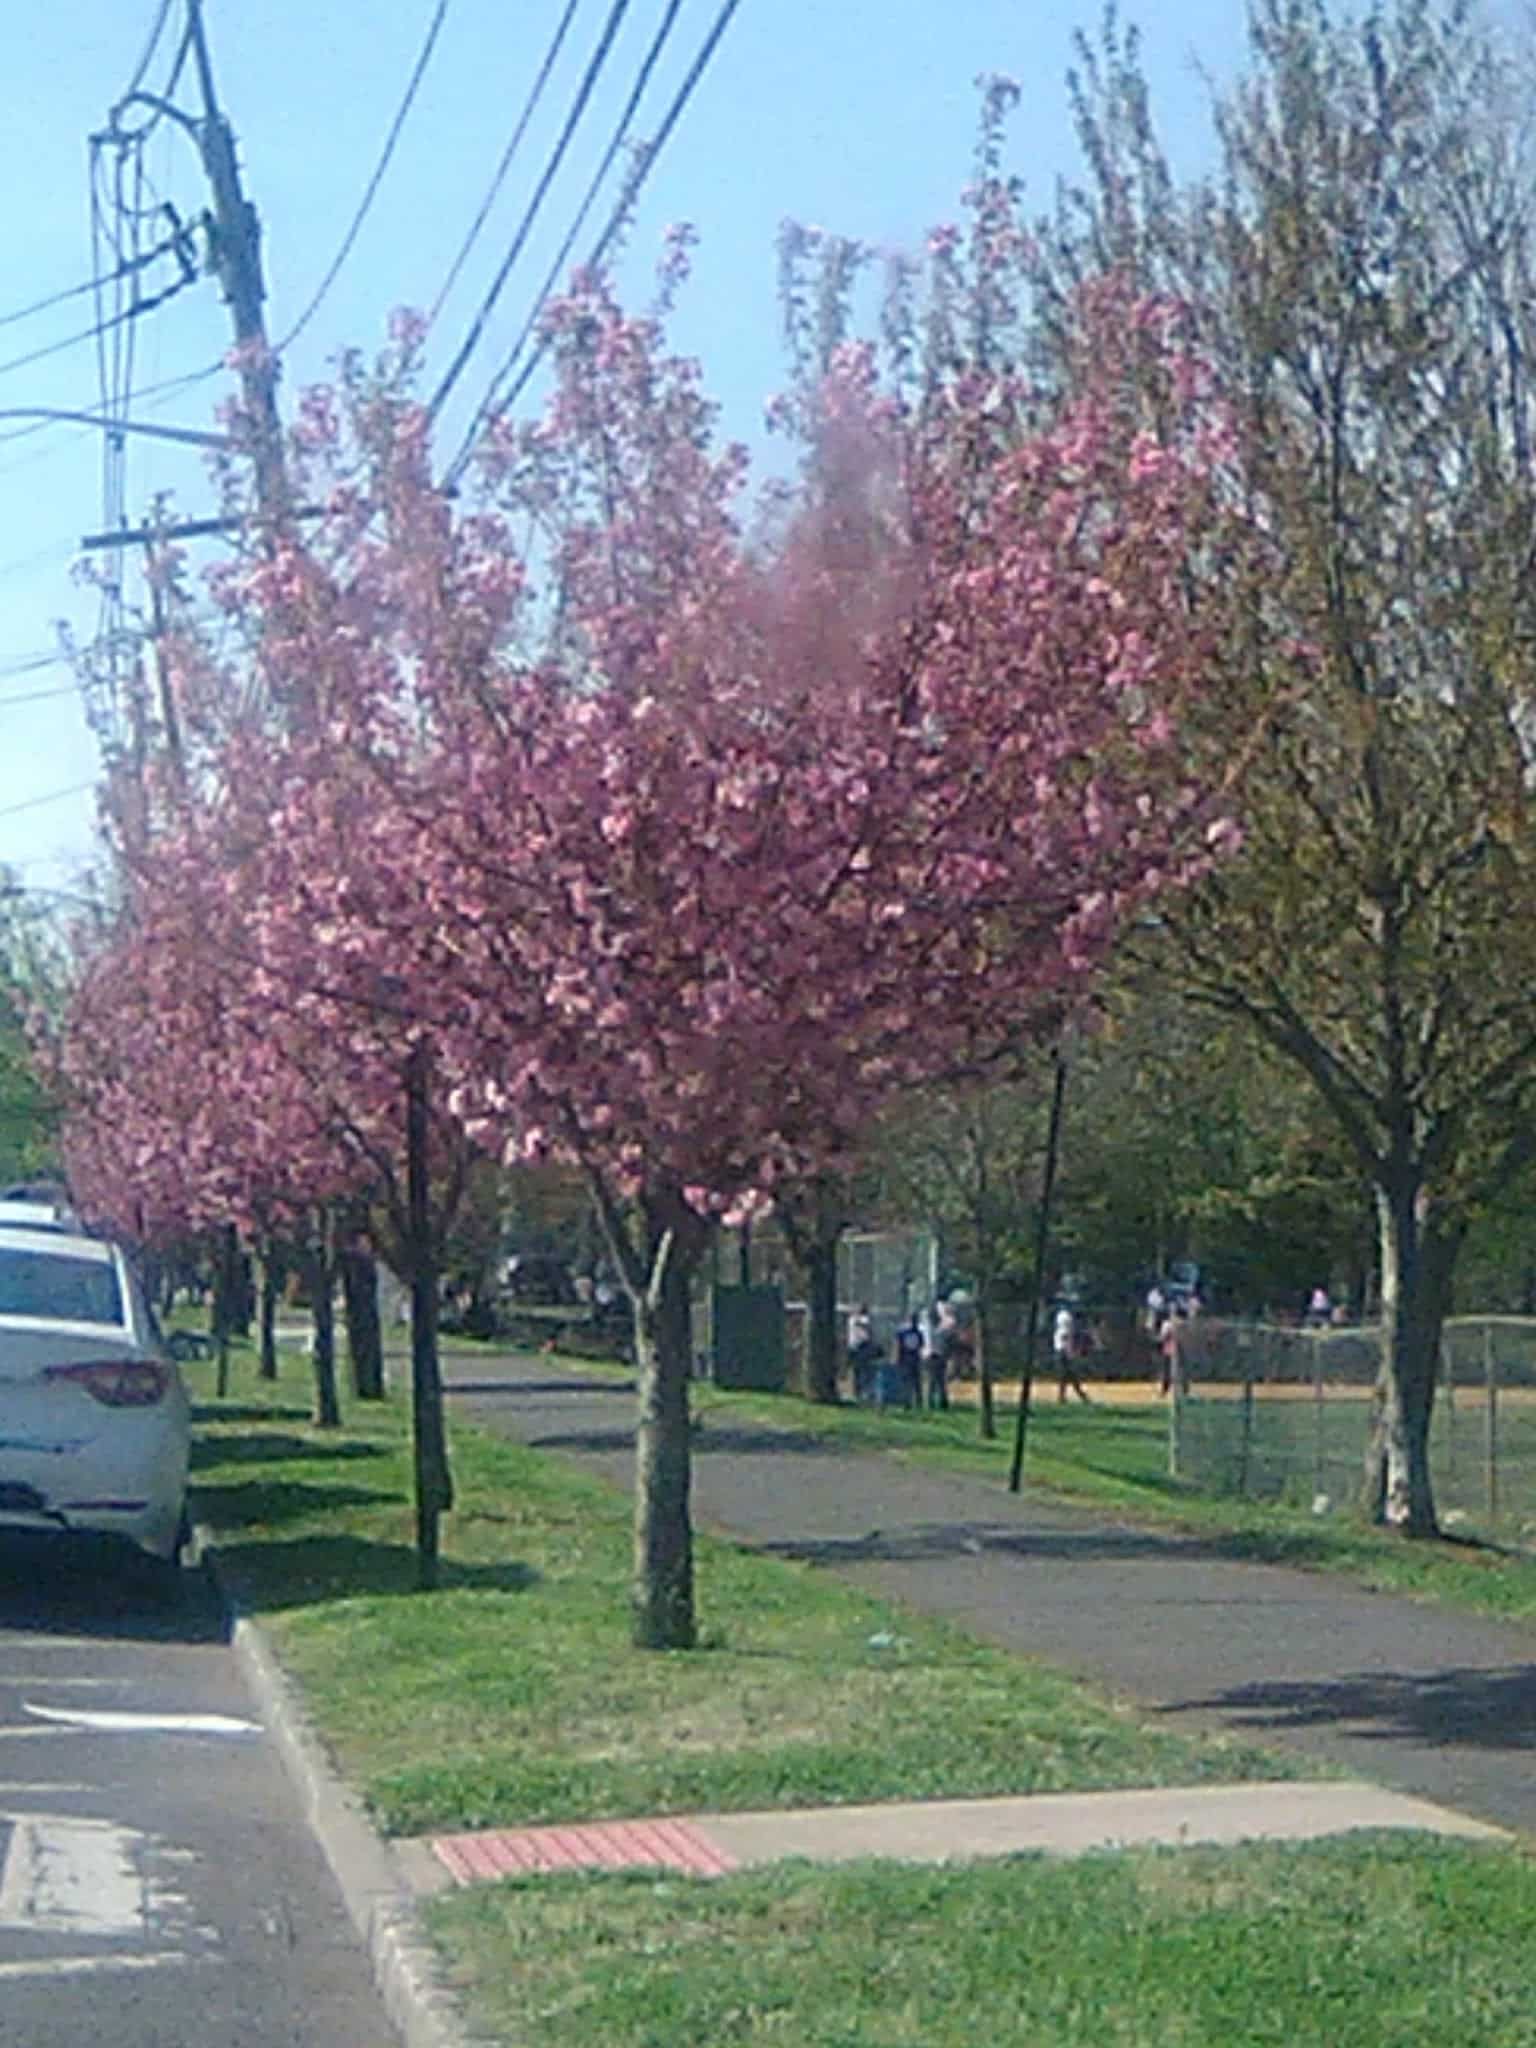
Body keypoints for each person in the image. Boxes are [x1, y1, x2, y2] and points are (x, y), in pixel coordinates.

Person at [1053, 1302, 1091, 1404]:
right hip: (1063, 1350)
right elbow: (1067, 1336)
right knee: (1067, 1374)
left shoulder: (1061, 1315)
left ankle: (1069, 1397)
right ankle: (1079, 1396)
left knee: (1067, 1374)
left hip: (1060, 1348)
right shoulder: (1067, 1318)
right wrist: (1070, 1351)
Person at [893, 1312, 925, 1409]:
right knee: (908, 1381)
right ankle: (908, 1402)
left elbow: (920, 1345)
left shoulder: (917, 1332)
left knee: (914, 1382)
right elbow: (898, 1345)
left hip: (913, 1358)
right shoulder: (904, 1332)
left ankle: (916, 1402)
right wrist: (896, 1357)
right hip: (907, 1358)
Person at [847, 1303, 875, 1402]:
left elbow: (866, 1326)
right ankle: (857, 1392)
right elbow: (862, 1323)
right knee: (857, 1371)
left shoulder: (861, 1319)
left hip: (862, 1347)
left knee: (863, 1371)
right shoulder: (855, 1320)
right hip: (856, 1347)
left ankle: (863, 1392)